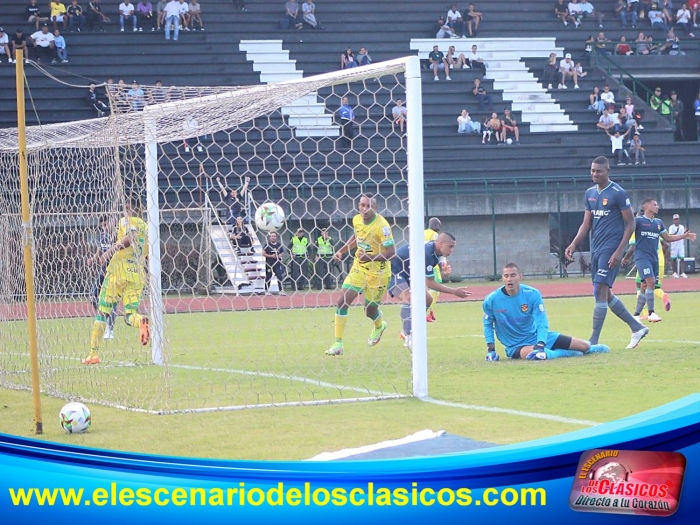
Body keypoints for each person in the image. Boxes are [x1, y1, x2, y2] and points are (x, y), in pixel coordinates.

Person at [565, 156, 649, 349]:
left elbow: (631, 223)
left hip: (611, 248)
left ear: (608, 171)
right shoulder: (589, 194)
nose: (595, 174)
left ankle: (593, 340)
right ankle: (637, 327)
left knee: (600, 290)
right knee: (604, 292)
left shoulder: (618, 193)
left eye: (599, 171)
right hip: (597, 248)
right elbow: (586, 224)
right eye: (593, 170)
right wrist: (573, 244)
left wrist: (620, 251)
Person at [483, 263, 610, 361]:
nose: (509, 279)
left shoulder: (532, 294)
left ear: (520, 276)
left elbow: (541, 321)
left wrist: (541, 342)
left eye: (513, 275)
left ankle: (590, 348)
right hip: (516, 346)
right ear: (502, 278)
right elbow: (488, 325)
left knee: (584, 346)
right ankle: (569, 353)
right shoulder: (491, 300)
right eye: (506, 276)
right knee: (536, 355)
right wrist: (491, 350)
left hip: (536, 337)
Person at [326, 193, 395, 356]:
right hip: (359, 267)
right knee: (342, 301)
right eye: (362, 205)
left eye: (368, 206)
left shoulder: (382, 226)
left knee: (369, 310)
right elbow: (357, 237)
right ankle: (338, 344)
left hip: (379, 273)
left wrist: (370, 257)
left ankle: (379, 325)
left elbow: (391, 252)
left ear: (375, 208)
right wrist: (341, 251)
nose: (364, 209)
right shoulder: (356, 220)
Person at [82, 200, 150, 365]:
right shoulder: (147, 228)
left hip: (117, 273)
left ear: (129, 210)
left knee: (102, 312)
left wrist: (108, 253)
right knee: (130, 314)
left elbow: (131, 237)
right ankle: (140, 320)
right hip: (137, 274)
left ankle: (93, 354)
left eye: (125, 209)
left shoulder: (126, 221)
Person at [389, 233, 470, 351]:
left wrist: (443, 268)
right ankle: (408, 335)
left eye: (453, 247)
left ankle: (411, 329)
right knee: (409, 297)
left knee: (428, 299)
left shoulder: (436, 249)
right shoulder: (426, 253)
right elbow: (430, 283)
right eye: (450, 247)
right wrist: (454, 291)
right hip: (394, 270)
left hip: (409, 273)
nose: (452, 250)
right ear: (440, 244)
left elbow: (440, 256)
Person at [622, 199, 696, 322]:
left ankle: (635, 315)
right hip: (642, 257)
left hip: (654, 259)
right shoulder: (639, 221)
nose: (657, 206)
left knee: (645, 286)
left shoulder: (658, 223)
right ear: (646, 206)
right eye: (655, 204)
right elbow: (628, 230)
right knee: (650, 282)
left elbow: (667, 238)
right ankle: (651, 313)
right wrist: (623, 255)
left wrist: (684, 236)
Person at [88, 216, 118, 340]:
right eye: (102, 226)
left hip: (115, 271)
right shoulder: (103, 236)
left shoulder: (118, 236)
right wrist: (93, 258)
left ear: (112, 223)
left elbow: (118, 249)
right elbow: (100, 250)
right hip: (103, 271)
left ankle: (110, 330)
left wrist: (108, 255)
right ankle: (103, 320)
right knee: (93, 296)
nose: (104, 228)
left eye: (106, 225)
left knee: (112, 300)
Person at [423, 217, 442, 322]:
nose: (439, 227)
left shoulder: (422, 232)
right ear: (435, 225)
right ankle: (426, 312)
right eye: (438, 225)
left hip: (422, 262)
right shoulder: (434, 234)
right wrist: (442, 262)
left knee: (430, 288)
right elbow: (436, 249)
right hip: (430, 262)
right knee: (436, 286)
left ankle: (430, 311)